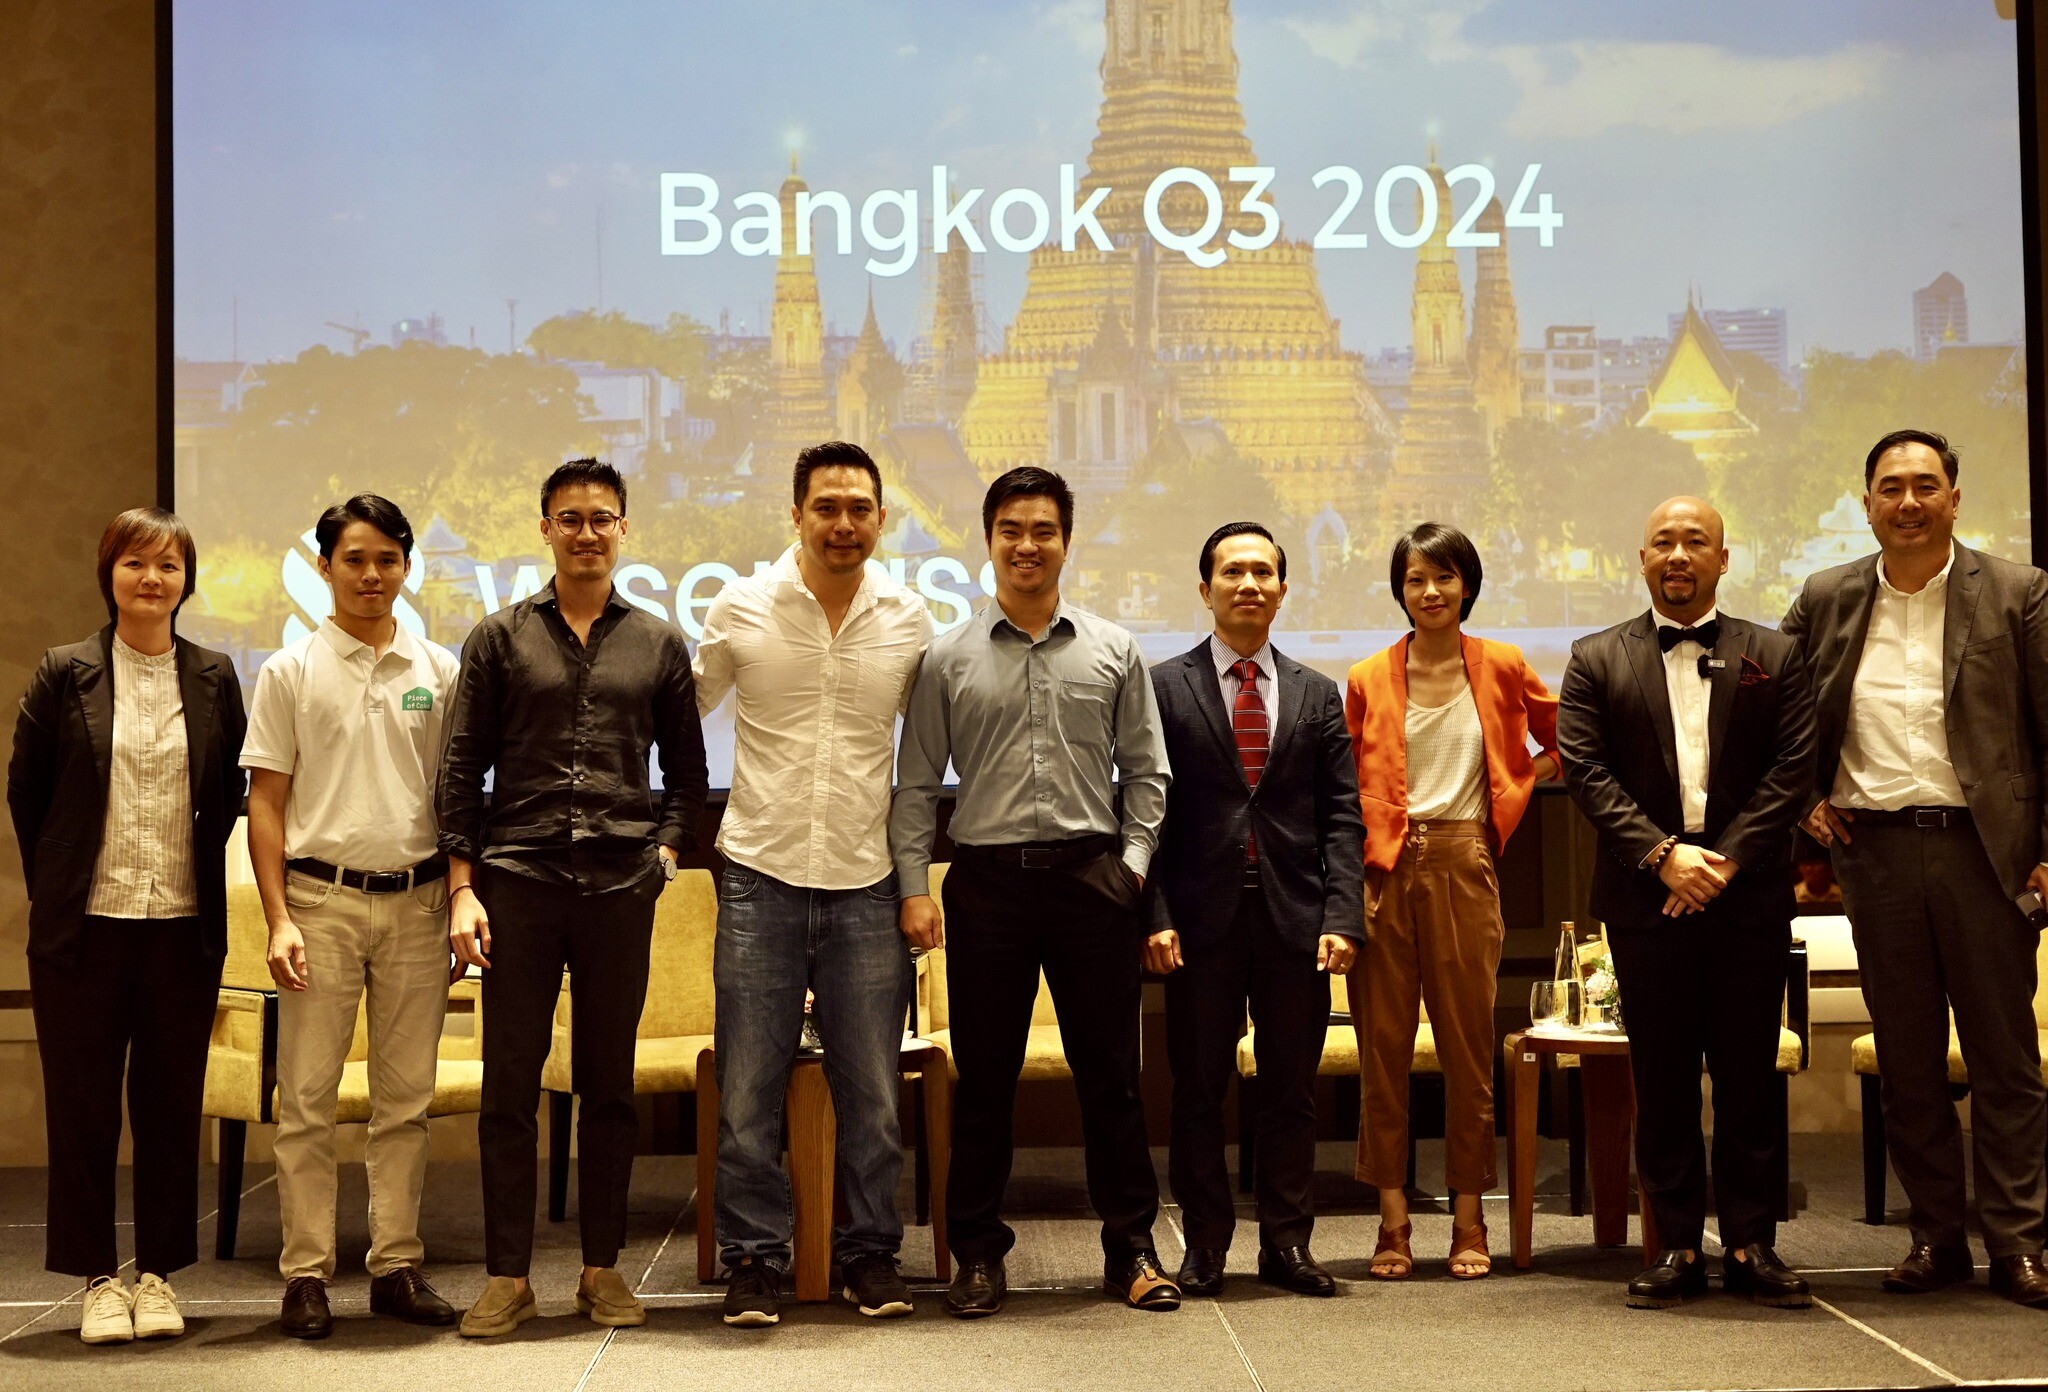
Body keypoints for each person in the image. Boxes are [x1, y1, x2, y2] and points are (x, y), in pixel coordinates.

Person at [891, 466, 1176, 1318]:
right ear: (988, 541)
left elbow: (1148, 773)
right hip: (987, 888)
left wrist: (1131, 865)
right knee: (985, 1082)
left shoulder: (1113, 649)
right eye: (1011, 530)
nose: (1027, 545)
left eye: (1043, 530)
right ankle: (977, 1254)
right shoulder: (947, 658)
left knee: (1112, 1080)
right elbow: (917, 786)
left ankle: (1131, 1250)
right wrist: (913, 886)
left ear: (1065, 542)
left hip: (1094, 884)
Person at [439, 459, 708, 1337]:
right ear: (545, 528)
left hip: (620, 885)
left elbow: (689, 774)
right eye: (569, 518)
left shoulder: (659, 642)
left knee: (609, 1085)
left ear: (623, 528)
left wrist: (665, 851)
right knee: (509, 1086)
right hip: (518, 880)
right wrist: (463, 886)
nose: (586, 532)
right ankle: (508, 1277)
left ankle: (602, 1269)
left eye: (601, 518)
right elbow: (460, 770)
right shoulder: (498, 638)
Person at [1781, 429, 2048, 1307]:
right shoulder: (1826, 597)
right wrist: (1803, 800)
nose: (1908, 502)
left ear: (1955, 500)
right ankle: (1936, 1237)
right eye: (1890, 487)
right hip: (1877, 855)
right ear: (1866, 503)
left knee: (2005, 1061)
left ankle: (2017, 1242)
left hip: (1987, 853)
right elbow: (1771, 713)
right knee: (1908, 1063)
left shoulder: (2016, 591)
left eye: (1925, 485)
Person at [693, 442, 932, 1326]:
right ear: (795, 514)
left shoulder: (908, 618)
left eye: (859, 508)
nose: (843, 524)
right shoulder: (740, 606)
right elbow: (680, 714)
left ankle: (869, 1253)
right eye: (826, 507)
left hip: (866, 881)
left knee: (873, 1091)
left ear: (881, 519)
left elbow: (930, 751)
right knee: (748, 1090)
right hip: (759, 875)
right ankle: (755, 1259)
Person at [1558, 496, 1816, 1310]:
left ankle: (1749, 1243)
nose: (1678, 555)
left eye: (1695, 541)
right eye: (1663, 542)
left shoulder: (1776, 653)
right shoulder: (1595, 657)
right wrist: (1665, 857)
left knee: (1749, 1078)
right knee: (1662, 1078)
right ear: (1641, 560)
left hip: (1749, 895)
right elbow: (1585, 770)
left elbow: (1794, 768)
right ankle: (1674, 1243)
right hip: (1647, 897)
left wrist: (1725, 861)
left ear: (1722, 559)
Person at [6, 507, 247, 1345]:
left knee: (170, 1107)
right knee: (82, 1110)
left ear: (186, 581)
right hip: (83, 930)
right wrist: (61, 883)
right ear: (110, 574)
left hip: (182, 926)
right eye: (136, 563)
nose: (153, 579)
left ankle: (158, 1276)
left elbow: (229, 793)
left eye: (169, 566)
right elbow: (27, 793)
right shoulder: (63, 670)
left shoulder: (214, 675)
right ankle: (98, 1281)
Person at [241, 495, 462, 1338]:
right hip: (318, 904)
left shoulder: (438, 669)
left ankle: (396, 1266)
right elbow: (266, 804)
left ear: (406, 567)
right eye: (355, 560)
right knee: (306, 1100)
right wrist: (277, 918)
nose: (372, 575)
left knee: (405, 1101)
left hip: (419, 903)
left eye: (388, 560)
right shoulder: (289, 671)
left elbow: (455, 799)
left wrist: (459, 894)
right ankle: (305, 1275)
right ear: (324, 567)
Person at [1144, 522, 1364, 1298]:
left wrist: (1343, 917)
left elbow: (1342, 816)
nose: (1249, 584)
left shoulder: (1316, 692)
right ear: (1205, 589)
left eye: (1263, 573)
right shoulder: (1162, 688)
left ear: (1282, 588)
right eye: (1233, 572)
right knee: (1198, 1089)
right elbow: (1144, 813)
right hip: (1196, 922)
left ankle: (1287, 1244)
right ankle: (1205, 1245)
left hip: (1295, 919)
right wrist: (1153, 913)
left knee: (1291, 1093)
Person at [1346, 523, 1560, 1281]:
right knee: (1382, 1052)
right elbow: (1344, 782)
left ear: (1467, 584)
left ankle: (1470, 1220)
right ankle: (1393, 1221)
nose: (1430, 591)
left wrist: (1516, 786)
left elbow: (1565, 737)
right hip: (1383, 870)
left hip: (1465, 860)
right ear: (1399, 590)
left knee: (1468, 1051)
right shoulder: (1368, 675)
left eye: (1444, 577)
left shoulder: (1501, 664)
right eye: (1415, 579)